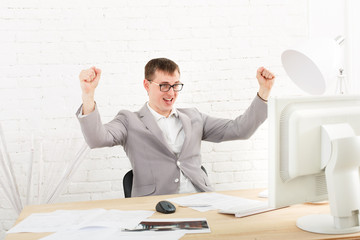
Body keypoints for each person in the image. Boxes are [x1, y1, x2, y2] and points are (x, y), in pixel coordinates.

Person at [76, 58, 275, 197]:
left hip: (203, 200)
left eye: (176, 85)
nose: (171, 92)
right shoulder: (129, 120)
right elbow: (96, 139)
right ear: (147, 85)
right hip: (156, 205)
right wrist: (88, 95)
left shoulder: (194, 117)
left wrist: (264, 92)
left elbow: (240, 129)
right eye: (164, 85)